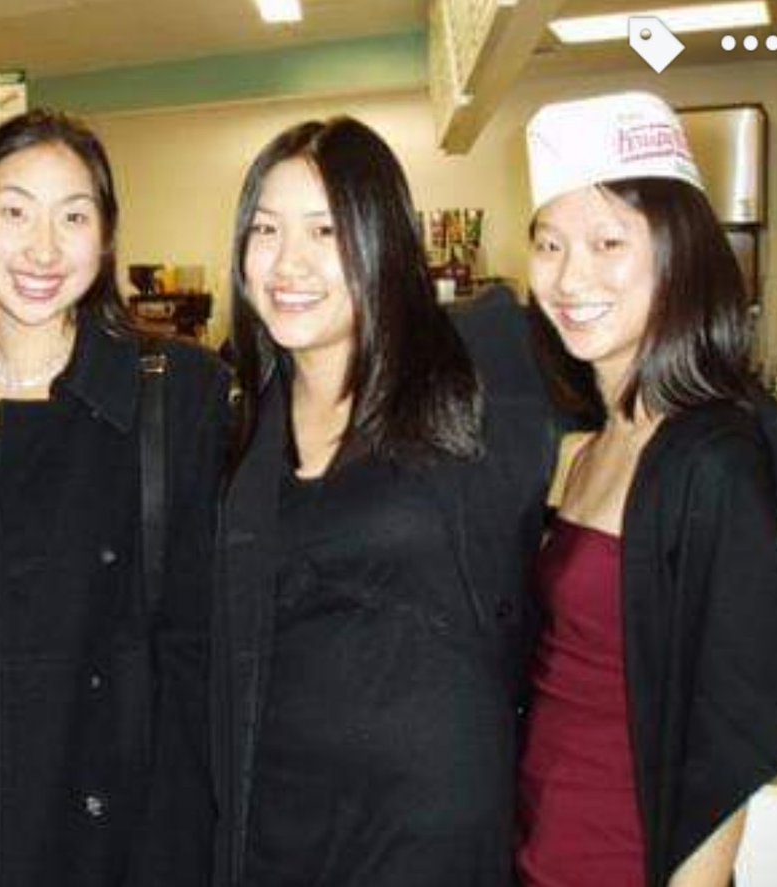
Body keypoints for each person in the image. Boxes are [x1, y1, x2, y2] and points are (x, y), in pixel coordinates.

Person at [0, 109, 228, 887]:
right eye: (15, 211)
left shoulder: (177, 394)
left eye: (74, 217)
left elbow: (196, 656)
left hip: (104, 835)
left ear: (107, 234)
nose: (44, 249)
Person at [211, 116, 564, 886]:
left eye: (326, 230)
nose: (289, 262)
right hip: (275, 822)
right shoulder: (238, 413)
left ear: (382, 239)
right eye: (265, 229)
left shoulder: (477, 359)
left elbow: (665, 382)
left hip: (429, 832)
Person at [516, 91, 777, 887]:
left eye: (609, 242)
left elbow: (728, 740)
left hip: (624, 863)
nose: (571, 276)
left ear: (677, 253)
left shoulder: (711, 461)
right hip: (535, 849)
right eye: (549, 243)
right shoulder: (588, 446)